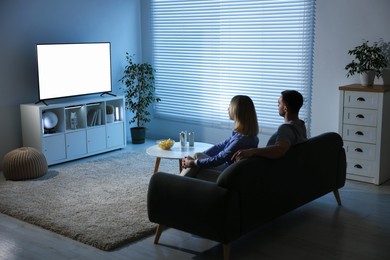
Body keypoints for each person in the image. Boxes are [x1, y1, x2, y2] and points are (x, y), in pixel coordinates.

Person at [181, 95, 259, 178]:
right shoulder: (243, 135)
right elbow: (220, 146)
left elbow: (219, 158)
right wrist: (200, 156)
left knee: (197, 169)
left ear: (237, 111)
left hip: (228, 175)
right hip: (227, 169)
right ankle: (180, 181)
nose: (228, 109)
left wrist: (193, 162)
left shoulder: (240, 141)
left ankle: (178, 183)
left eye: (230, 106)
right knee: (197, 156)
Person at [232, 90, 307, 161]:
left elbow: (280, 150)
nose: (277, 105)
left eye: (279, 103)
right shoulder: (301, 125)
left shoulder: (286, 128)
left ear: (285, 109)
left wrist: (252, 151)